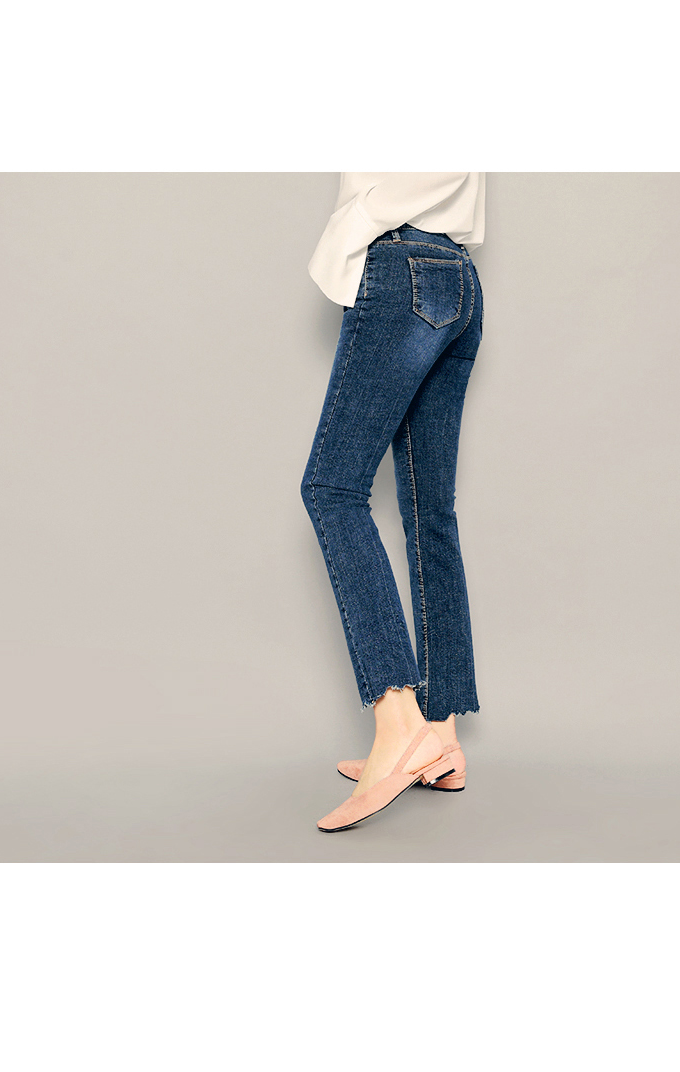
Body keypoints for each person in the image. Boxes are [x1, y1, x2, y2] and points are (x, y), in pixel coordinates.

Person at [300, 172, 486, 832]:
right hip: (458, 278)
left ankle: (400, 725)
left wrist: (364, 220)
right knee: (430, 510)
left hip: (402, 264)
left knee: (333, 490)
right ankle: (440, 733)